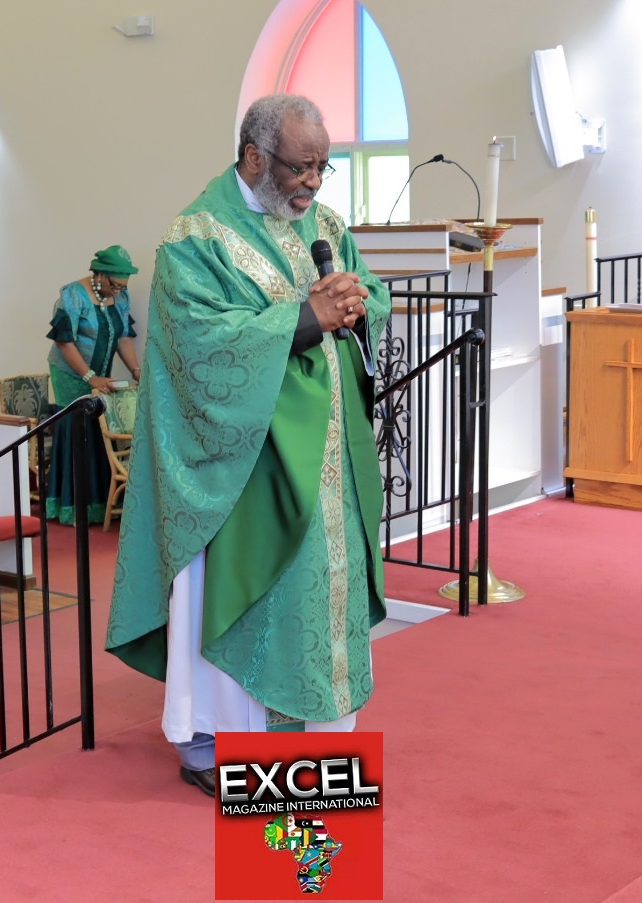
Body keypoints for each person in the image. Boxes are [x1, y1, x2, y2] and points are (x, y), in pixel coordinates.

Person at [106, 95, 387, 796]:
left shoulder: (322, 223)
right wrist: (302, 318)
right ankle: (220, 743)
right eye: (300, 167)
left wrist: (356, 302)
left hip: (324, 463)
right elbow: (199, 349)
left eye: (323, 167)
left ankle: (314, 742)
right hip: (241, 469)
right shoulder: (196, 240)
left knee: (320, 601)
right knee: (242, 602)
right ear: (255, 156)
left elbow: (365, 292)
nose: (314, 184)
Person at [45, 245, 143, 525]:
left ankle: (98, 503)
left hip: (100, 371)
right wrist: (90, 377)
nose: (118, 290)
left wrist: (136, 370)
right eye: (114, 284)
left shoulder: (120, 297)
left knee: (97, 427)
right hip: (71, 374)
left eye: (123, 286)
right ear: (98, 274)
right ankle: (71, 506)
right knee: (77, 426)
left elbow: (123, 337)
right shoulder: (72, 295)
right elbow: (63, 340)